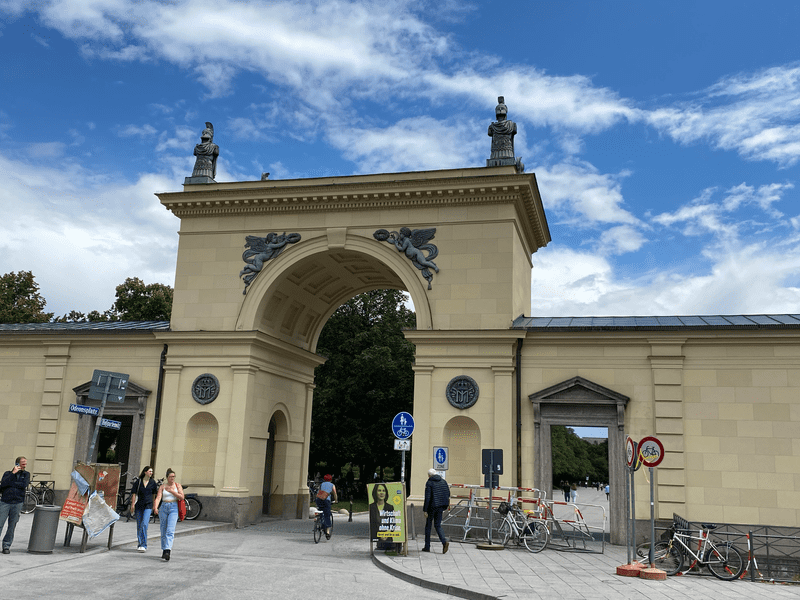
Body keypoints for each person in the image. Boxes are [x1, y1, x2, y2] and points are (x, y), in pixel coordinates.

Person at [0, 457, 30, 554]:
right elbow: (3, 484)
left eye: (25, 463)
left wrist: (11, 484)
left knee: (12, 525)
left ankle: (6, 545)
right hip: (5, 502)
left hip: (17, 502)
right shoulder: (7, 474)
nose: (25, 464)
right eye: (23, 463)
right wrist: (13, 474)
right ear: (17, 464)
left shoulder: (26, 474)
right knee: (0, 524)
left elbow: (23, 485)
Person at [153, 468, 184, 561]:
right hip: (164, 507)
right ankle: (164, 549)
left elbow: (182, 496)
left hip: (173, 507)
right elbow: (158, 497)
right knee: (163, 530)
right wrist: (155, 507)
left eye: (174, 476)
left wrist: (172, 491)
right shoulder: (162, 487)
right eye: (171, 477)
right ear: (167, 477)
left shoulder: (177, 485)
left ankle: (167, 550)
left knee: (170, 530)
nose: (172, 478)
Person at [129, 465, 158, 553]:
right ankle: (140, 544)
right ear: (145, 472)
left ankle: (143, 545)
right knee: (139, 525)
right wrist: (132, 505)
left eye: (152, 471)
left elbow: (154, 494)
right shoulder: (138, 482)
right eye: (150, 471)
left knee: (144, 524)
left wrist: (154, 505)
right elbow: (134, 494)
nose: (151, 473)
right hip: (139, 505)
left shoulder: (153, 482)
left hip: (148, 505)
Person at [422, 468, 450, 554]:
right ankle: (444, 541)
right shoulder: (443, 481)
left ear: (429, 475)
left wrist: (425, 510)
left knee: (428, 526)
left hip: (432, 507)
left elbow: (428, 497)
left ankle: (427, 546)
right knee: (438, 525)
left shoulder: (429, 482)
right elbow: (448, 493)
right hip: (440, 507)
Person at [315, 474, 337, 539]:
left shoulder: (321, 484)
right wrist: (336, 500)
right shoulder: (332, 485)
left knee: (321, 511)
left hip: (319, 500)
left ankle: (320, 522)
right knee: (327, 515)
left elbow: (318, 492)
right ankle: (327, 532)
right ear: (331, 479)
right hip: (326, 501)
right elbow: (335, 494)